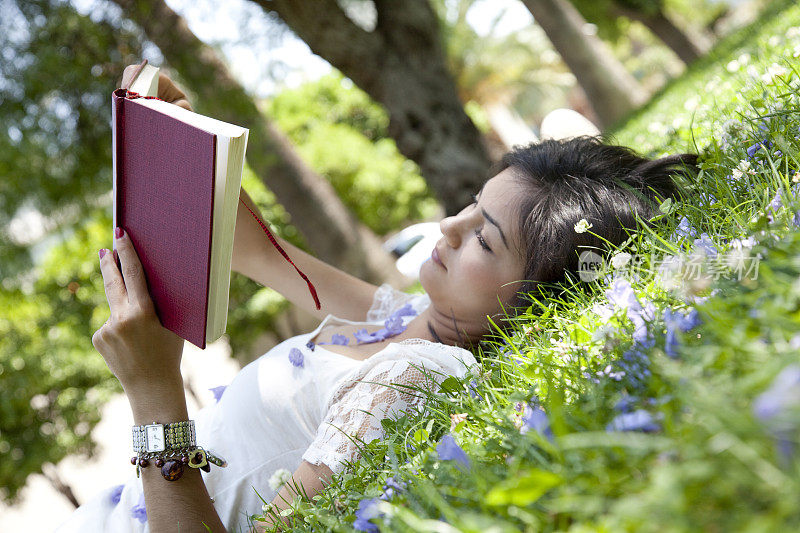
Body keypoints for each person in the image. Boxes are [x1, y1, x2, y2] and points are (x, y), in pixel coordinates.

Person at [56, 66, 697, 532]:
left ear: (531, 303)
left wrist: (152, 391)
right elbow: (253, 249)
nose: (447, 227)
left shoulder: (416, 374)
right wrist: (178, 137)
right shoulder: (399, 318)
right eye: (472, 205)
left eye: (484, 238)